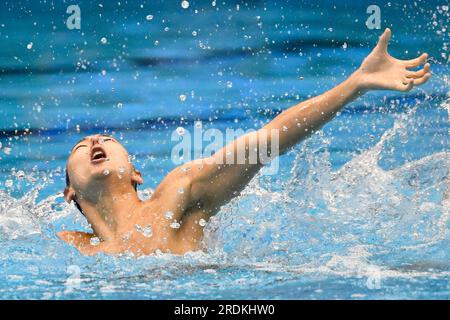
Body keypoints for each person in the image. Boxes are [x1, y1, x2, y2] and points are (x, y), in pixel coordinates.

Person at [59, 28, 431, 255]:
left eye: (107, 138)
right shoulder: (70, 246)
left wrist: (355, 84)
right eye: (81, 145)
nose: (94, 139)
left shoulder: (177, 193)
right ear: (70, 193)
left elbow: (265, 142)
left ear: (136, 174)